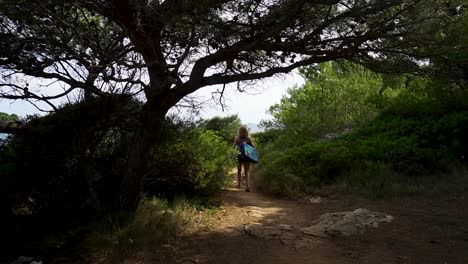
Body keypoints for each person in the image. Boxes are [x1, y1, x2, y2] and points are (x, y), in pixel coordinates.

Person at [234, 126, 254, 192]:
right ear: (246, 131)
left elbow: (234, 147)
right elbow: (253, 148)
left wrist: (233, 155)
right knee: (247, 171)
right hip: (247, 157)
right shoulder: (248, 139)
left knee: (239, 170)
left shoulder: (237, 139)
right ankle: (247, 186)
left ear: (239, 131)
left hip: (239, 156)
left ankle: (239, 184)